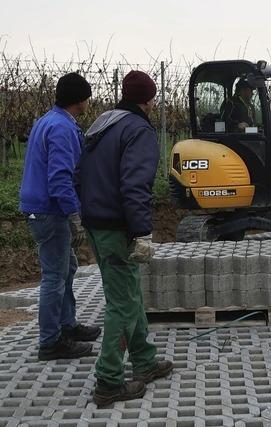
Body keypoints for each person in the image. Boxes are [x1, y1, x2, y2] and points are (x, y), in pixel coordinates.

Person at [76, 70, 173, 406]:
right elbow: (135, 185)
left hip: (96, 223)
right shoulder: (138, 130)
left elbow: (79, 174)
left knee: (129, 292)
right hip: (118, 226)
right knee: (122, 304)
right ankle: (108, 382)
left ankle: (144, 362)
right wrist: (140, 230)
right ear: (148, 100)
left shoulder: (102, 123)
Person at [19, 72, 101, 361]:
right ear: (81, 100)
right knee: (54, 276)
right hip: (50, 211)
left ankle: (68, 326)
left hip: (40, 207)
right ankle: (50, 342)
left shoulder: (48, 120)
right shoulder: (62, 129)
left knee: (66, 269)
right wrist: (73, 216)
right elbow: (59, 179)